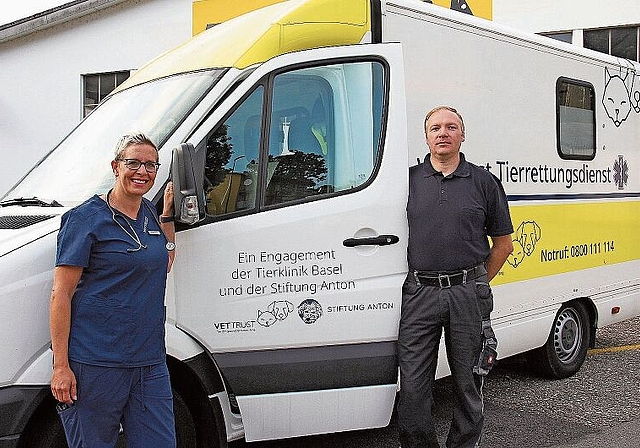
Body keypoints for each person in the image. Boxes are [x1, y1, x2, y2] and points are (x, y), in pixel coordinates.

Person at [49, 133, 177, 447]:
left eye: (150, 165)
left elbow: (163, 259)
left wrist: (168, 215)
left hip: (149, 362)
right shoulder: (85, 219)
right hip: (97, 363)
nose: (142, 171)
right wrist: (61, 367)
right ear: (116, 166)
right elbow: (60, 294)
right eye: (133, 162)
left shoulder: (148, 212)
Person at [397, 106, 514, 448]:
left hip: (468, 294)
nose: (443, 133)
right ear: (427, 137)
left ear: (463, 135)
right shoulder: (407, 181)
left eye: (451, 127)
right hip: (419, 294)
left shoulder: (484, 182)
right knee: (414, 390)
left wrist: (476, 281)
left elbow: (503, 245)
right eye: (436, 128)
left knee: (468, 383)